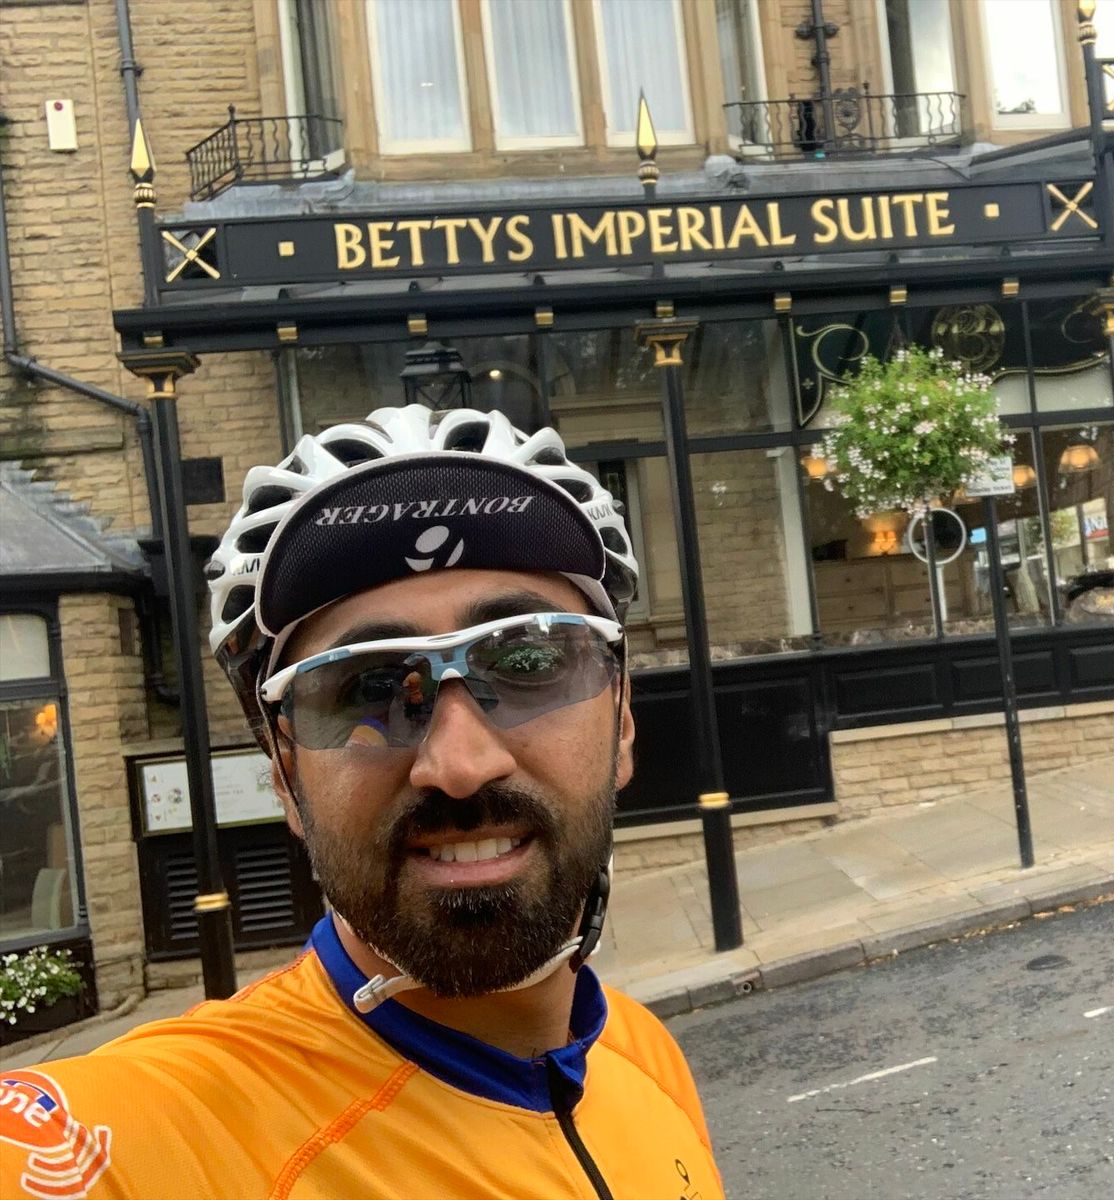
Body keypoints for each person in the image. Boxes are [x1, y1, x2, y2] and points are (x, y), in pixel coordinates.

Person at [0, 405, 724, 1199]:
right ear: (284, 773)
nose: (460, 765)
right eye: (368, 687)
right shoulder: (147, 1139)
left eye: (528, 660)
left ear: (622, 720)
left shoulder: (644, 1054)